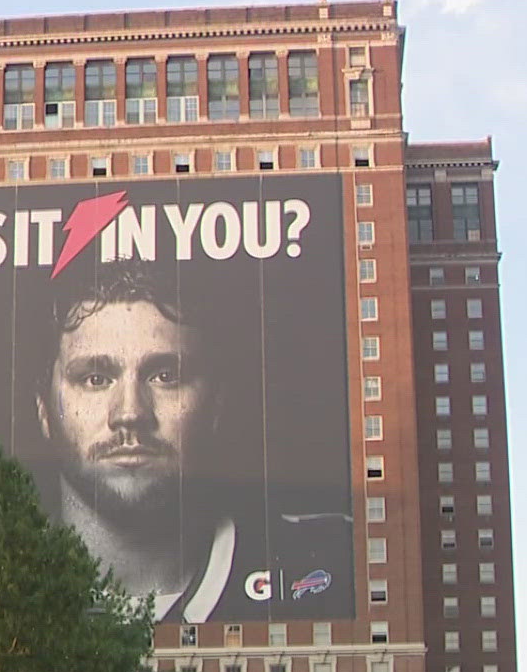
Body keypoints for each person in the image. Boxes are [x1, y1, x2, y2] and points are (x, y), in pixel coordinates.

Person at [32, 262, 350, 622]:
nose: (131, 413)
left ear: (216, 405)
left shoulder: (335, 557)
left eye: (165, 376)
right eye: (95, 378)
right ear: (44, 410)